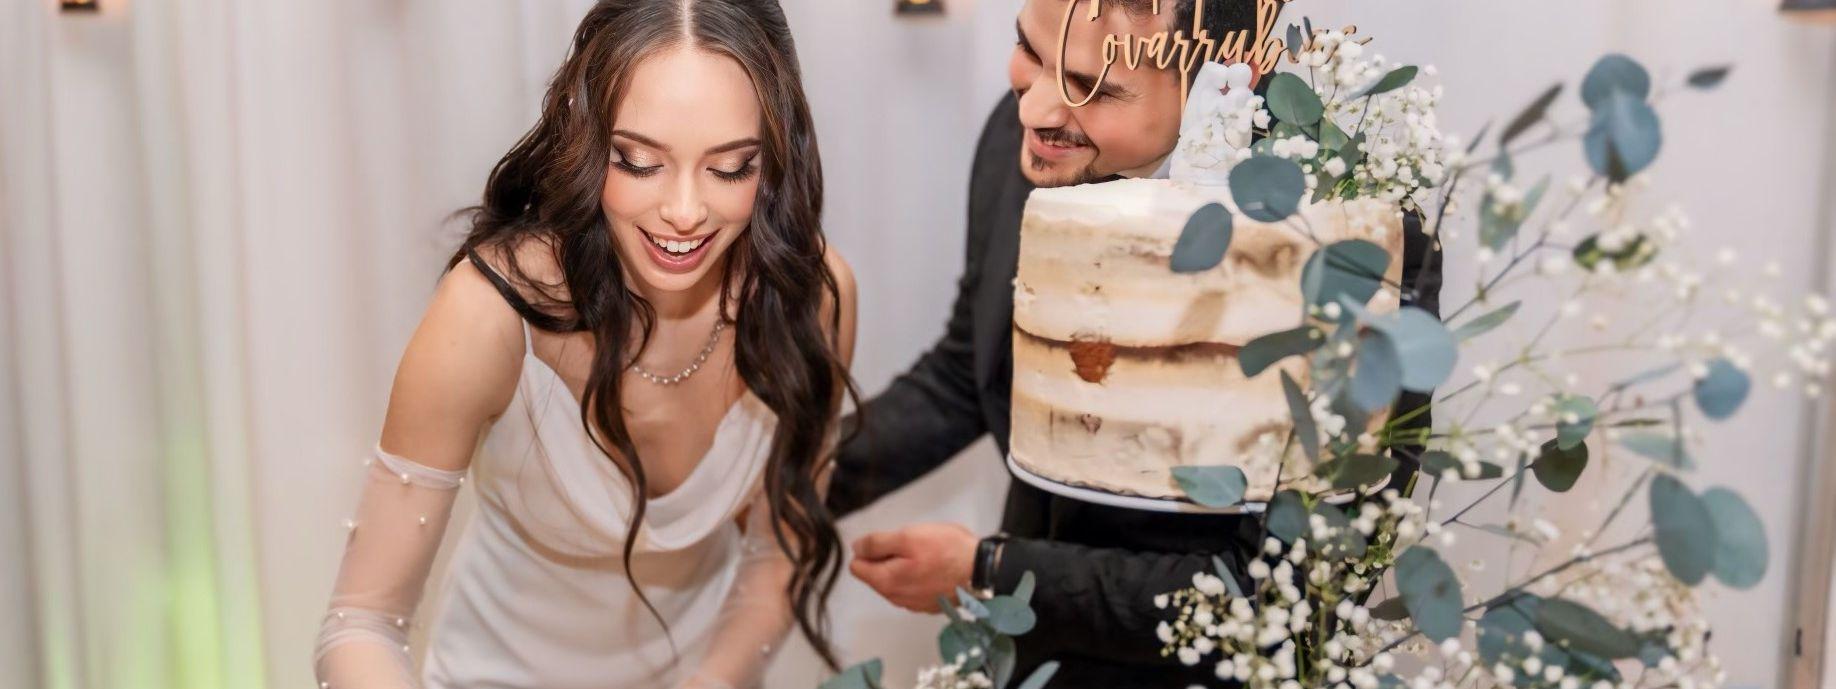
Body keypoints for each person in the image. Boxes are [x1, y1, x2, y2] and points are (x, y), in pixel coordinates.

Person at [831, 0, 1442, 686]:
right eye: (1028, 51)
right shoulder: (1031, 136)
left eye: (1092, 87)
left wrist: (993, 570)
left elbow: (1283, 594)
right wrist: (791, 476)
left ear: (1226, 72)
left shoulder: (1355, 237)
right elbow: (972, 368)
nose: (1034, 106)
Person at [311, 1, 857, 687]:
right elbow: (360, 622)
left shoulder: (812, 298)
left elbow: (778, 551)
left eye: (730, 168)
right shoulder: (488, 315)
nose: (684, 211)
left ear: (776, 157)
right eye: (639, 162)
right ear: (587, 138)